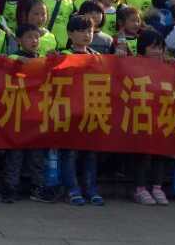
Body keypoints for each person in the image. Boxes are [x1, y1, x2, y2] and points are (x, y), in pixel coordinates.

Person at [1, 23, 56, 203]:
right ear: (18, 40)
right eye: (29, 37)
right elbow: (7, 65)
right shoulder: (14, 57)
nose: (34, 41)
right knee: (15, 156)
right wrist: (17, 61)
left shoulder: (42, 60)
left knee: (36, 156)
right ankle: (10, 189)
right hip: (17, 115)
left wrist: (54, 60)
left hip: (36, 115)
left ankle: (37, 188)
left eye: (36, 37)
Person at [58, 16, 104, 206]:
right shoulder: (63, 54)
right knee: (70, 153)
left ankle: (91, 188)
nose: (86, 35)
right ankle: (71, 188)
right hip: (70, 112)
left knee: (90, 153)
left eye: (90, 31)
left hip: (91, 110)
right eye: (81, 31)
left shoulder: (97, 57)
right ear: (70, 34)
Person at [131, 29, 170, 205]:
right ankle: (140, 188)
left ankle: (157, 187)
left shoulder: (166, 65)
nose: (156, 51)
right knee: (140, 153)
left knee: (160, 152)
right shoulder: (133, 64)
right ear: (142, 47)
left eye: (160, 48)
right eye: (153, 47)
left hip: (159, 114)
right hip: (139, 115)